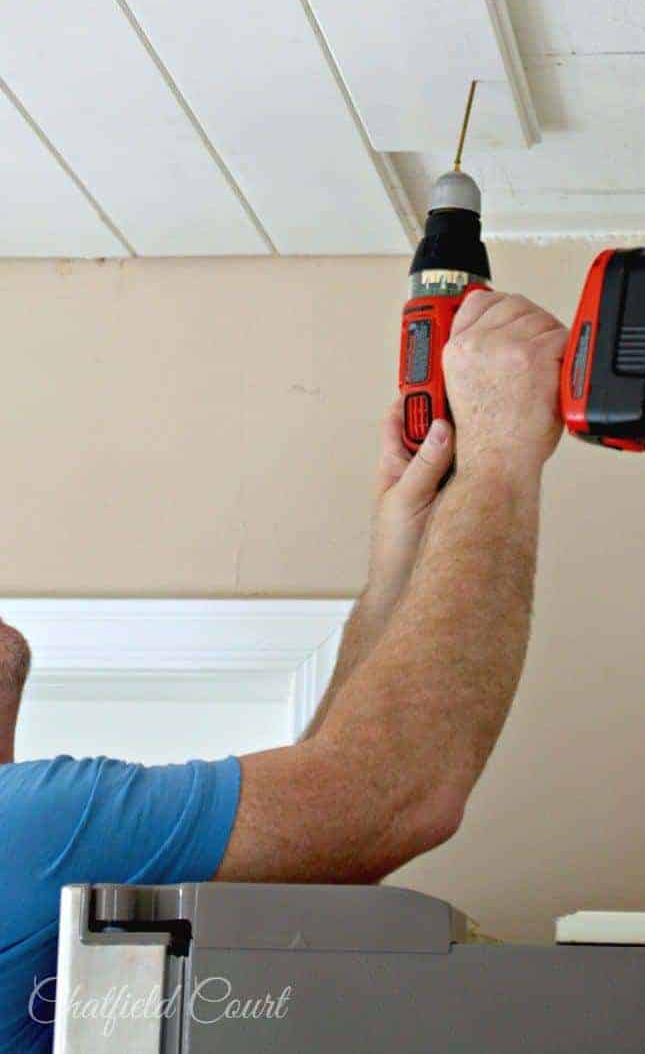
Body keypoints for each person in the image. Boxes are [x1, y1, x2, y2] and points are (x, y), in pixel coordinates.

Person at [0, 290, 567, 1051]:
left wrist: (399, 567)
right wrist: (499, 453)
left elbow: (316, 856)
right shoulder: (26, 831)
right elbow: (397, 793)